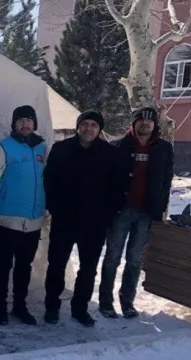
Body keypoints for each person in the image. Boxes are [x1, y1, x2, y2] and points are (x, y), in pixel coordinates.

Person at [43, 110, 123, 326]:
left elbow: (118, 187)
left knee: (88, 267)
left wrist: (109, 212)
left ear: (99, 129)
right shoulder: (61, 149)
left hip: (94, 223)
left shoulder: (110, 154)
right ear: (78, 126)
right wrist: (54, 207)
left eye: (93, 125)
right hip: (64, 218)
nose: (88, 129)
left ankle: (80, 308)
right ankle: (51, 306)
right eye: (85, 124)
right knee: (56, 264)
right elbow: (49, 180)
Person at [99, 107, 174, 319]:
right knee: (112, 257)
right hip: (121, 211)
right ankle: (106, 302)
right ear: (134, 123)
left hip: (146, 213)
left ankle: (127, 301)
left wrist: (160, 209)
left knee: (134, 259)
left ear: (155, 125)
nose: (145, 124)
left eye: (149, 122)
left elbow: (166, 181)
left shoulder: (163, 149)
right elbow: (108, 181)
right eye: (141, 120)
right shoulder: (118, 146)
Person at [0, 105, 46, 326]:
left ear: (34, 124)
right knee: (3, 264)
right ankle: (0, 306)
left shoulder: (42, 148)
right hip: (8, 218)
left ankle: (19, 305)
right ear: (14, 124)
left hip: (33, 220)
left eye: (29, 121)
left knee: (25, 265)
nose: (25, 124)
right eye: (20, 121)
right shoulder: (3, 147)